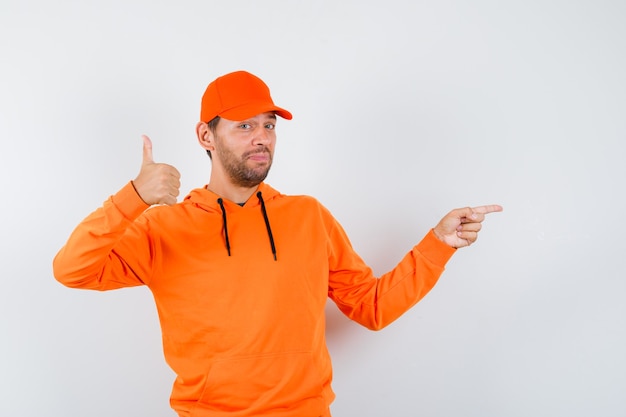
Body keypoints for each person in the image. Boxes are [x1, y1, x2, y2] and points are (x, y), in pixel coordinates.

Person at [53, 70, 502, 417]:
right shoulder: (164, 228)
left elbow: (372, 306)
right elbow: (71, 269)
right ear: (206, 136)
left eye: (268, 125)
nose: (262, 138)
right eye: (244, 126)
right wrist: (133, 198)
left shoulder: (308, 216)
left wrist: (438, 244)